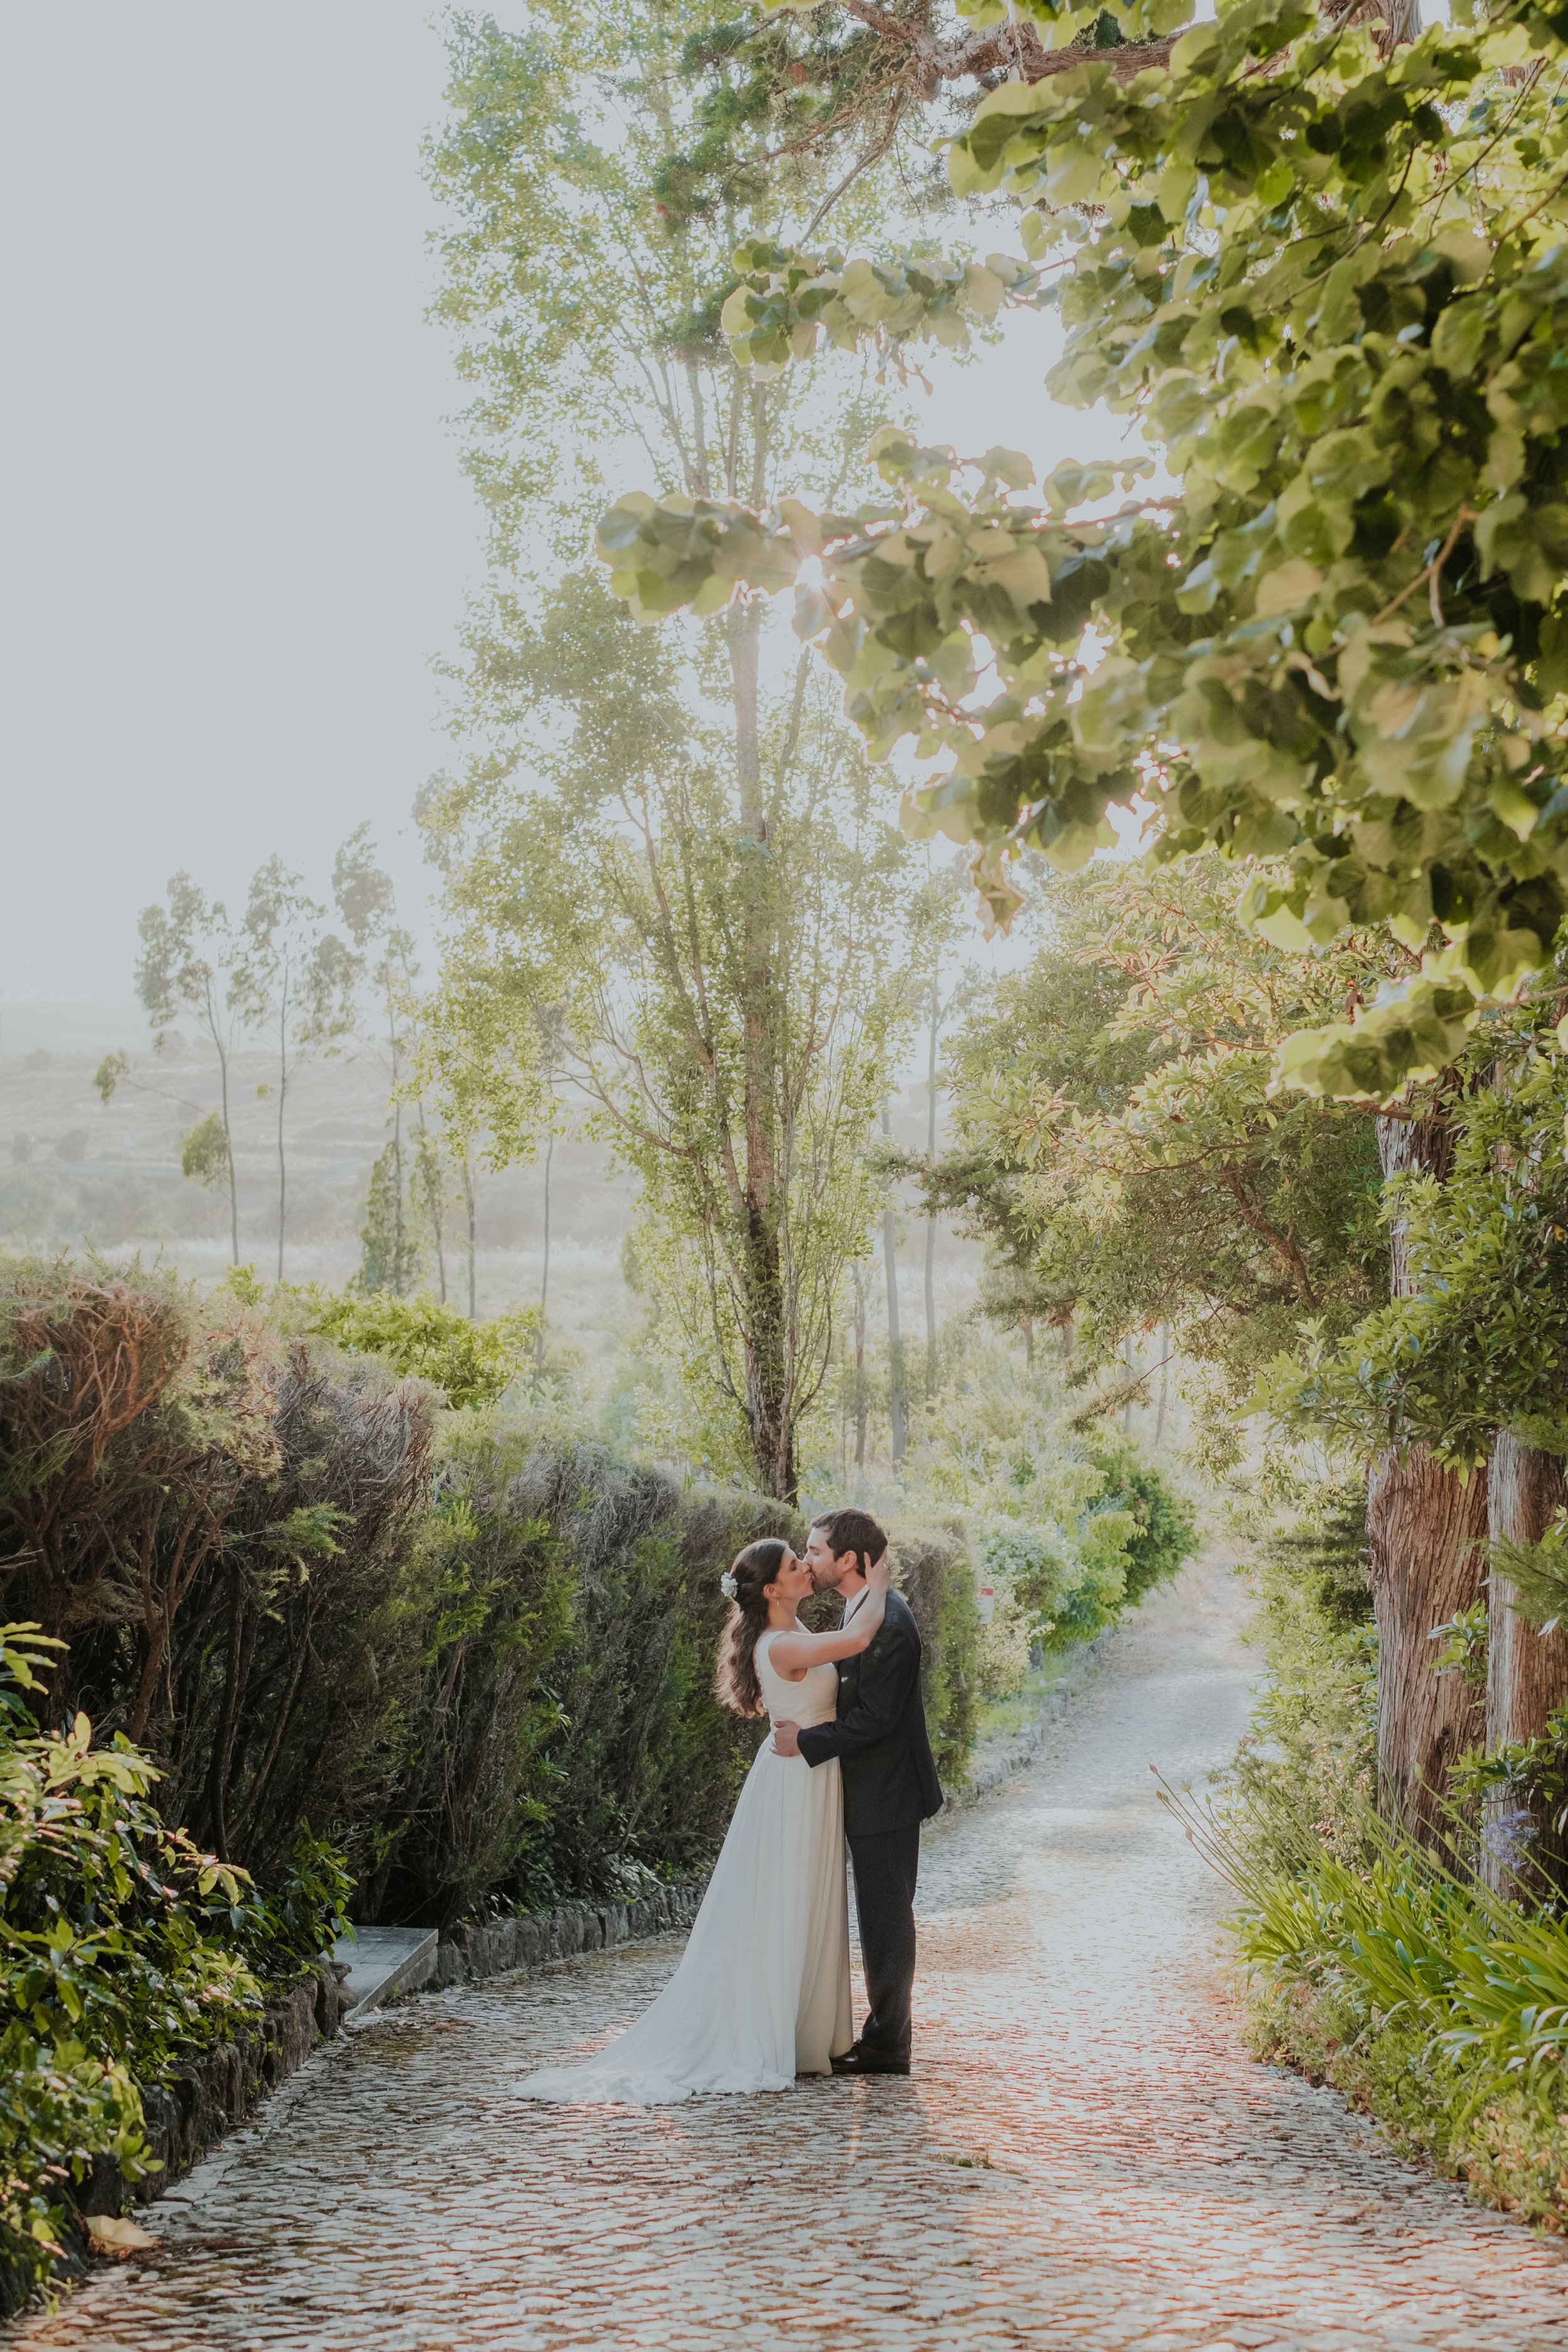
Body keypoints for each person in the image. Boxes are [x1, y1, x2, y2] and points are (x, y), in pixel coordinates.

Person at [516, 1534, 890, 2105]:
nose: (804, 1570)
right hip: (793, 1786)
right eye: (796, 1566)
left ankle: (804, 2029)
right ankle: (771, 2030)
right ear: (772, 1589)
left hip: (809, 1774)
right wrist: (880, 1578)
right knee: (782, 1900)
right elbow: (861, 1637)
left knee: (805, 1897)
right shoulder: (780, 1645)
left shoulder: (795, 1634)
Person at [773, 1507, 943, 2077]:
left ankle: (889, 2044)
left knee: (887, 1920)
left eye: (816, 1550)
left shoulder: (889, 1623)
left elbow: (877, 1719)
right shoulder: (864, 1607)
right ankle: (882, 2035)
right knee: (879, 1915)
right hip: (867, 1789)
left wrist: (808, 1740)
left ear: (849, 1559)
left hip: (889, 1793)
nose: (809, 1559)